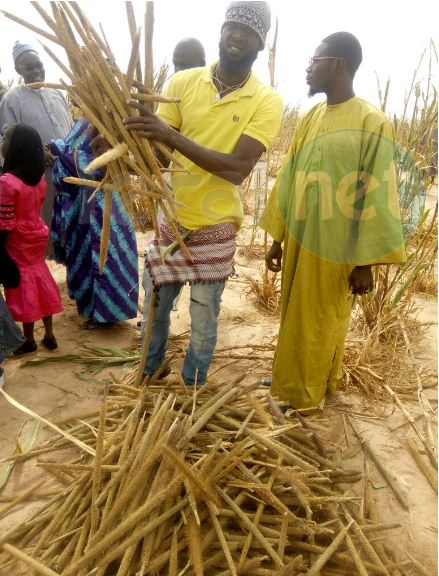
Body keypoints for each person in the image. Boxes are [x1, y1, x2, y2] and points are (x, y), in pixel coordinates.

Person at [124, 1, 283, 385]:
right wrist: (124, 134)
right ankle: (149, 370)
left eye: (248, 32)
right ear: (221, 29)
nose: (237, 35)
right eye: (232, 26)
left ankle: (192, 386)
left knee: (203, 317)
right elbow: (158, 149)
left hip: (216, 225)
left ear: (260, 45)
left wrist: (171, 136)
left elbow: (236, 169)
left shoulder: (266, 101)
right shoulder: (182, 83)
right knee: (156, 307)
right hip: (171, 218)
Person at [259, 32, 407, 410]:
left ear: (337, 64)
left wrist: (365, 262)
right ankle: (289, 379)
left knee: (322, 316)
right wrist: (278, 237)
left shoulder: (371, 121)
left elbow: (378, 194)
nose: (308, 68)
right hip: (300, 239)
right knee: (296, 310)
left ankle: (306, 396)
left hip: (337, 247)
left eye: (315, 60)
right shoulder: (310, 117)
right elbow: (290, 177)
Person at [48, 119, 139, 328]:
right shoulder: (85, 122)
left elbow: (94, 165)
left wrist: (59, 152)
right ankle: (94, 312)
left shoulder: (115, 122)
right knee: (88, 256)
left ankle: (104, 316)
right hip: (86, 201)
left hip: (103, 201)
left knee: (104, 255)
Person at [0, 41, 72, 259]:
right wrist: (37, 156)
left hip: (68, 173)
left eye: (38, 65)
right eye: (28, 67)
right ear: (18, 71)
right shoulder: (12, 99)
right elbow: (9, 141)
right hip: (39, 180)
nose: (36, 71)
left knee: (69, 226)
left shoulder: (57, 94)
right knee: (42, 229)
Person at [0, 123, 63, 354]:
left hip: (18, 239)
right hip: (37, 233)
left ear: (17, 147)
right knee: (40, 277)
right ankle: (49, 334)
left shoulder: (8, 181)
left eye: (6, 139)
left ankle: (28, 339)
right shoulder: (38, 178)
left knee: (25, 285)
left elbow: (5, 220)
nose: (2, 143)